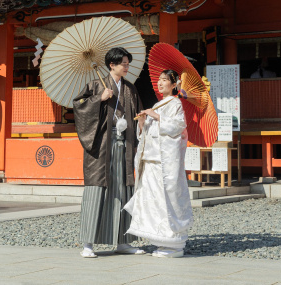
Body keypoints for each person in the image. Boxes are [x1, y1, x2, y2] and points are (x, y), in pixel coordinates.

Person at [72, 47, 145, 258]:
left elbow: (138, 114)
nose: (127, 66)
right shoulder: (96, 85)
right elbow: (79, 106)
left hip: (124, 145)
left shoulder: (130, 89)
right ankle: (88, 243)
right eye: (123, 63)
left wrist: (141, 121)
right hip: (102, 146)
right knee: (97, 190)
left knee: (123, 189)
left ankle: (123, 241)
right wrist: (99, 99)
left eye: (128, 63)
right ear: (111, 65)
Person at [124, 69, 193, 258]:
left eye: (165, 80)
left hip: (164, 163)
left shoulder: (175, 103)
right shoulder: (159, 104)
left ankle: (173, 244)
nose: (160, 83)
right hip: (152, 160)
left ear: (174, 85)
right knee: (153, 201)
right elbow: (148, 133)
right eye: (159, 80)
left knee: (165, 200)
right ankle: (160, 239)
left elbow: (177, 127)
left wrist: (157, 117)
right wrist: (143, 122)